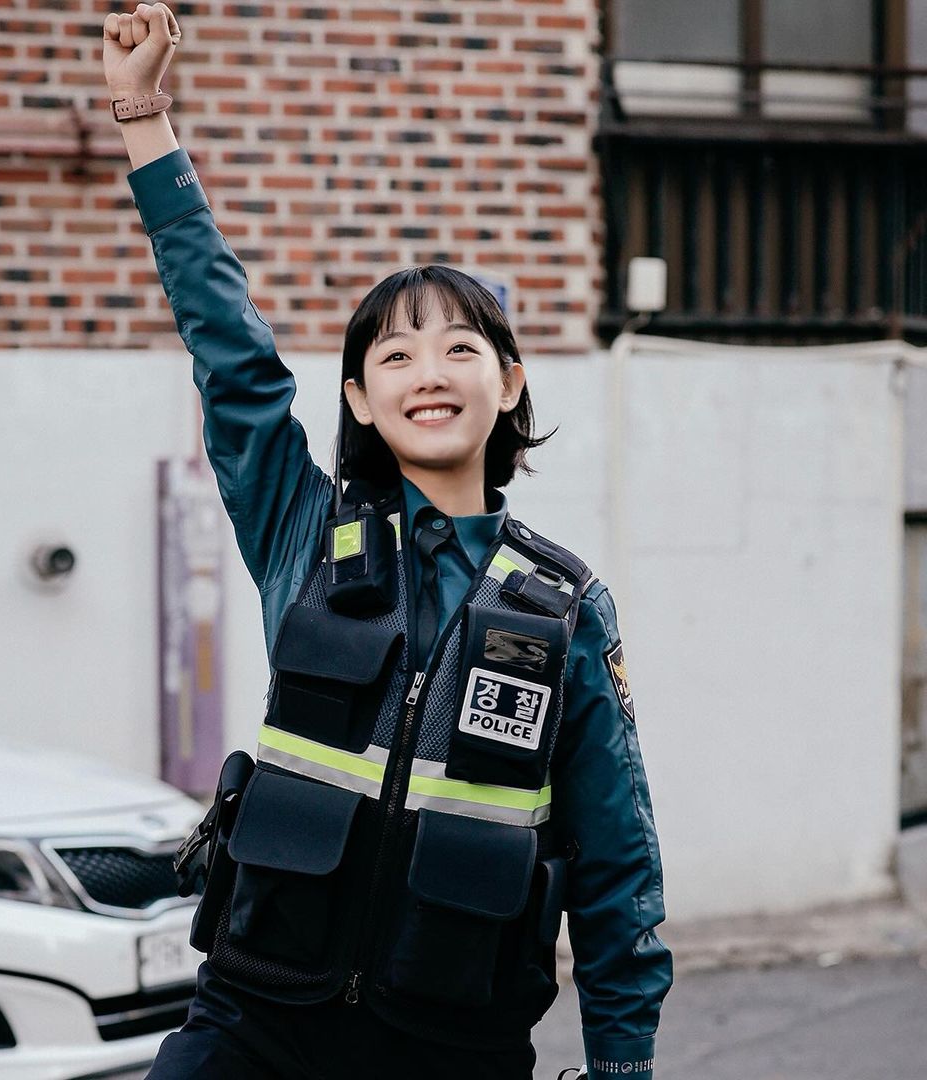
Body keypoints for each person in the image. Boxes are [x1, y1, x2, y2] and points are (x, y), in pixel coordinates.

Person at [102, 5, 673, 1078]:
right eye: (396, 355)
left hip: (451, 1044)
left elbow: (617, 870)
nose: (431, 372)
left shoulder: (566, 607)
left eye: (462, 346)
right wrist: (145, 121)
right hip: (254, 1023)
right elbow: (230, 349)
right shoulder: (304, 531)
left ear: (508, 385)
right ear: (359, 398)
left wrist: (624, 1068)